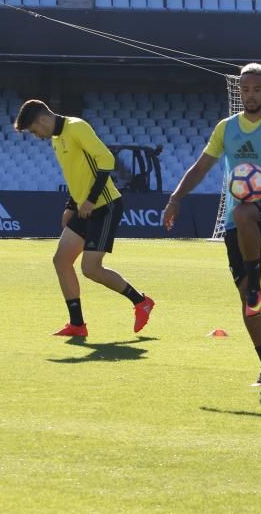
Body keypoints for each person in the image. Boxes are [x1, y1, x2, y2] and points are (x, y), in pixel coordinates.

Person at [162, 63, 261, 389]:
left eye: (257, 89)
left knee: (247, 213)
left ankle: (254, 285)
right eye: (245, 89)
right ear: (240, 91)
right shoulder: (226, 128)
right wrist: (176, 198)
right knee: (246, 302)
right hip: (237, 221)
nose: (250, 95)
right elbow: (201, 166)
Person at [13, 99, 155, 338]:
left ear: (43, 119)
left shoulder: (77, 127)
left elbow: (106, 160)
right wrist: (71, 205)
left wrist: (89, 200)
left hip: (105, 205)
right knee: (61, 260)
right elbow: (77, 175)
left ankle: (141, 301)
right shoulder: (58, 140)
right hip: (84, 208)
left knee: (90, 268)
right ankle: (77, 325)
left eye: (35, 131)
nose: (37, 136)